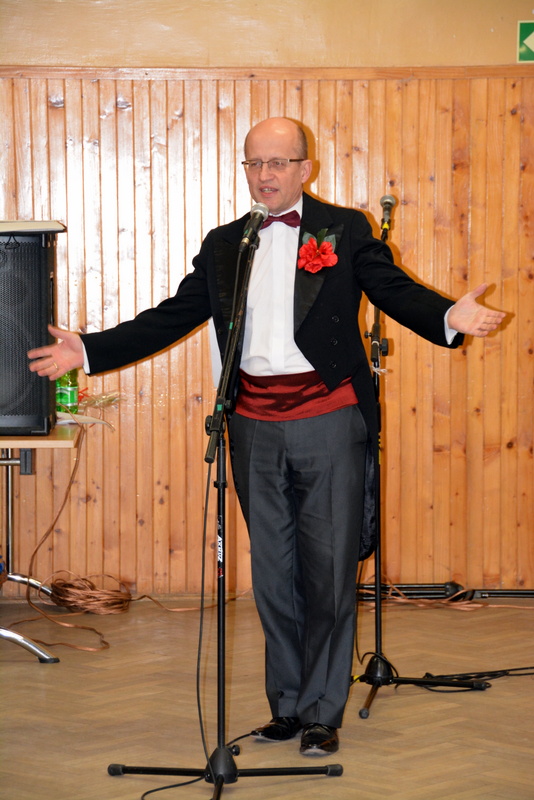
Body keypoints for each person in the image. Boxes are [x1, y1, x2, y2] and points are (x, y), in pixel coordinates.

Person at [28, 117, 505, 756]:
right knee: (274, 576)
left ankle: (322, 712)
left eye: (277, 162)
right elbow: (173, 315)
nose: (264, 175)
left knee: (328, 573)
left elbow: (392, 289)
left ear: (305, 168)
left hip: (329, 418)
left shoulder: (345, 229)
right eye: (253, 163)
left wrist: (447, 315)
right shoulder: (227, 243)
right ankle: (286, 706)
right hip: (252, 423)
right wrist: (88, 349)